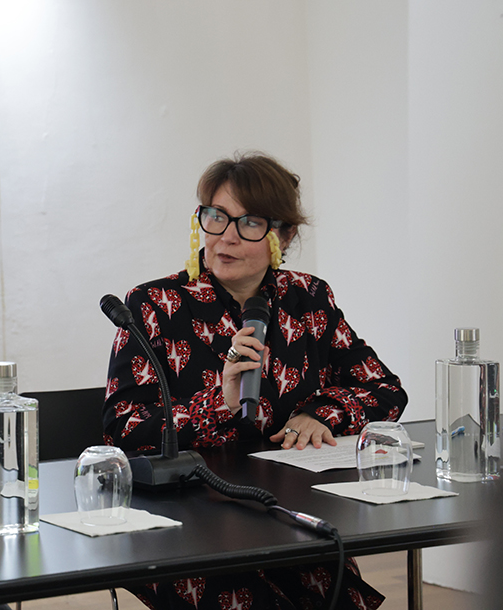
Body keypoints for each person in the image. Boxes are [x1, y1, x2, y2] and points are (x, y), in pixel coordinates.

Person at [104, 152, 407, 610]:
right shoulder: (153, 305)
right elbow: (122, 428)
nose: (226, 236)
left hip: (287, 507)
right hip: (188, 519)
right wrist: (218, 403)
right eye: (216, 217)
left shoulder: (308, 297)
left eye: (249, 223)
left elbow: (383, 389)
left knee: (332, 589)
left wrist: (319, 413)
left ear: (283, 236)